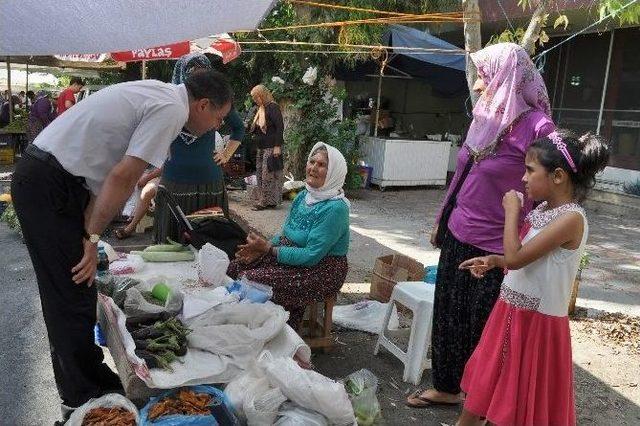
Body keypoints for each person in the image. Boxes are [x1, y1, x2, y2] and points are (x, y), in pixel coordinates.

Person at [11, 70, 233, 422]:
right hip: (47, 183)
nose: (215, 127)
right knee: (67, 289)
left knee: (81, 285)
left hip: (60, 181)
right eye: (218, 118)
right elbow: (123, 176)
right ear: (203, 104)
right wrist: (92, 238)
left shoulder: (163, 96)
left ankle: (92, 378)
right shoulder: (171, 109)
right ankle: (78, 395)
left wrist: (88, 234)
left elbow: (106, 177)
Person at [406, 43, 555, 408]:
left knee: (484, 327)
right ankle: (447, 386)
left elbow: (557, 179)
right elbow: (463, 172)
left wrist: (539, 228)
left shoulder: (538, 126)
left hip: (497, 245)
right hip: (459, 231)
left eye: (485, 76)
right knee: (448, 314)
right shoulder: (486, 118)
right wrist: (442, 218)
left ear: (508, 76)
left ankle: (483, 401)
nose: (477, 86)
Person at [456, 130, 609, 425]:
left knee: (519, 402)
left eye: (529, 170)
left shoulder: (571, 219)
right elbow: (524, 259)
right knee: (486, 386)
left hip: (537, 324)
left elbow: (516, 256)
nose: (523, 178)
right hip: (510, 311)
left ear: (558, 176)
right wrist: (494, 260)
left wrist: (511, 212)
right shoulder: (543, 210)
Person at [228, 142, 350, 328]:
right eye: (312, 162)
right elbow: (285, 234)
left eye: (321, 165)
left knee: (251, 280)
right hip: (293, 255)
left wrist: (268, 249)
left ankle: (277, 332)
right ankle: (248, 325)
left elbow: (311, 256)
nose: (313, 168)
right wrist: (260, 249)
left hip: (322, 269)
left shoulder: (335, 209)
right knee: (236, 266)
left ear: (334, 172)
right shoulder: (303, 196)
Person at [149, 53, 245, 243]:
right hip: (174, 181)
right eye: (193, 75)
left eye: (203, 74)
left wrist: (226, 154)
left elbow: (239, 128)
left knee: (209, 240)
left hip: (209, 183)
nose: (198, 81)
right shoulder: (172, 102)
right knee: (172, 242)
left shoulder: (216, 100)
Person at [249, 84, 284, 210]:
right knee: (260, 173)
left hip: (271, 146)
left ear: (262, 96)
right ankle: (265, 200)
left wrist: (277, 146)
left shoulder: (273, 107)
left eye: (256, 97)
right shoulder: (261, 109)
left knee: (268, 174)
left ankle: (265, 202)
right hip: (261, 147)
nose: (254, 100)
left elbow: (280, 127)